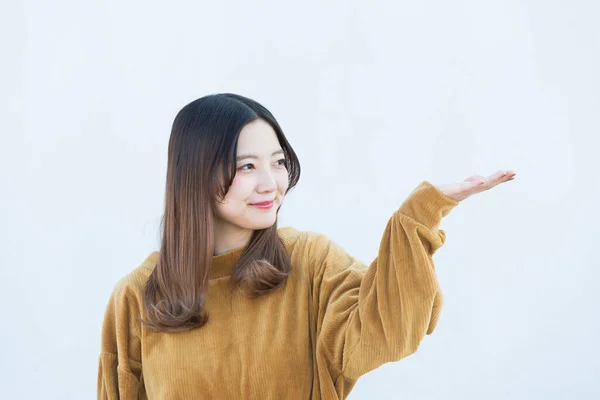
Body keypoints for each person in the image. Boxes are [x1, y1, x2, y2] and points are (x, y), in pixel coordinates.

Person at [97, 93, 515, 399]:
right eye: (247, 166)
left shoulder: (310, 264)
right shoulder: (138, 297)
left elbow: (390, 331)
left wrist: (417, 218)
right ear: (195, 174)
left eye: (278, 162)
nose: (271, 183)